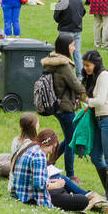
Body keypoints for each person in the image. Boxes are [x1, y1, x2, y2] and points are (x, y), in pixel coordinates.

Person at [8, 113, 92, 212]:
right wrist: (56, 185)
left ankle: (75, 196)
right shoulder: (39, 155)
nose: (52, 152)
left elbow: (35, 179)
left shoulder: (30, 147)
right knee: (82, 200)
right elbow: (39, 185)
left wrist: (51, 182)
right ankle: (90, 198)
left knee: (63, 188)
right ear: (48, 144)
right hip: (31, 198)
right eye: (53, 148)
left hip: (21, 193)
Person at [41, 33, 87, 180]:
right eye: (72, 45)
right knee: (71, 141)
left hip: (58, 105)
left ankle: (50, 162)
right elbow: (75, 84)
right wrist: (88, 97)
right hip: (65, 107)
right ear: (66, 47)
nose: (74, 48)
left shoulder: (54, 62)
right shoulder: (64, 66)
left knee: (69, 137)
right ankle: (70, 174)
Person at [81, 49, 108, 204]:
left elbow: (100, 101)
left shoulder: (104, 76)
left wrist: (84, 99)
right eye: (84, 65)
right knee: (95, 156)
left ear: (96, 64)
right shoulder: (93, 77)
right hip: (100, 120)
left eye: (88, 65)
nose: (86, 68)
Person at [52, 0, 86, 75]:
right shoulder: (79, 1)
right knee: (77, 53)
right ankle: (80, 75)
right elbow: (83, 12)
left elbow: (56, 17)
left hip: (65, 31)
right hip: (77, 29)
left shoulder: (62, 2)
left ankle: (66, 74)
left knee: (64, 54)